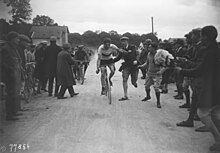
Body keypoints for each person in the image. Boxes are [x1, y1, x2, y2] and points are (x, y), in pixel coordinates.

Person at [175, 25, 220, 151]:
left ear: (205, 36)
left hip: (209, 84)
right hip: (213, 83)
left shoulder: (209, 51)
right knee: (215, 114)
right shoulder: (213, 49)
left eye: (200, 35)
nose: (199, 38)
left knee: (203, 113)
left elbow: (199, 69)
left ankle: (218, 139)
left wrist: (182, 70)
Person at [1, 31, 23, 120]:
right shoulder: (6, 49)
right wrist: (10, 71)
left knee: (15, 94)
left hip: (15, 74)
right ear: (12, 39)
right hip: (10, 75)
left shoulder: (13, 48)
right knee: (10, 95)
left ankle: (13, 112)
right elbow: (4, 63)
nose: (18, 40)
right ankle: (9, 115)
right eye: (17, 38)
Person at [138, 43, 166, 108]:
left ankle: (158, 102)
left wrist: (161, 71)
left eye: (150, 47)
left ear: (154, 48)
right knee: (147, 86)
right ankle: (148, 96)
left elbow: (165, 66)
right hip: (149, 73)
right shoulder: (149, 54)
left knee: (156, 88)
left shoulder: (159, 55)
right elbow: (147, 63)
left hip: (157, 74)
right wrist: (141, 66)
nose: (148, 48)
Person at [113, 36, 139, 101]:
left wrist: (123, 52)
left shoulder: (132, 47)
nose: (123, 43)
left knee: (134, 81)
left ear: (127, 41)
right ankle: (125, 95)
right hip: (126, 66)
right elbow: (118, 58)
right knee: (124, 79)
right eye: (122, 41)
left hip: (133, 66)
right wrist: (110, 61)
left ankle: (134, 83)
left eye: (124, 41)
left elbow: (131, 55)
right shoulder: (121, 49)